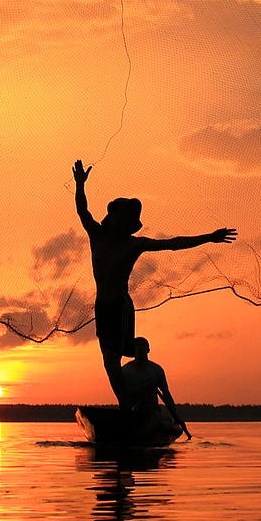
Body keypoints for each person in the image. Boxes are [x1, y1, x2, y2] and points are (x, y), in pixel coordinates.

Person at [72, 158, 233, 403]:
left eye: (127, 220)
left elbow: (173, 244)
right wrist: (80, 185)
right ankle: (127, 403)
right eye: (120, 218)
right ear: (112, 219)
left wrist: (209, 237)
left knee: (113, 357)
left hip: (120, 306)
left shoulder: (135, 244)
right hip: (102, 307)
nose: (124, 223)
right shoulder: (97, 234)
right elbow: (83, 211)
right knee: (108, 360)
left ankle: (129, 404)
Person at [116, 335, 190, 440]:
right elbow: (123, 395)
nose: (140, 348)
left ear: (148, 349)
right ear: (133, 350)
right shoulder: (125, 371)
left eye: (143, 345)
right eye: (137, 345)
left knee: (161, 422)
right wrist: (143, 388)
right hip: (132, 412)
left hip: (152, 411)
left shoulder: (156, 370)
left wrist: (175, 416)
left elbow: (166, 394)